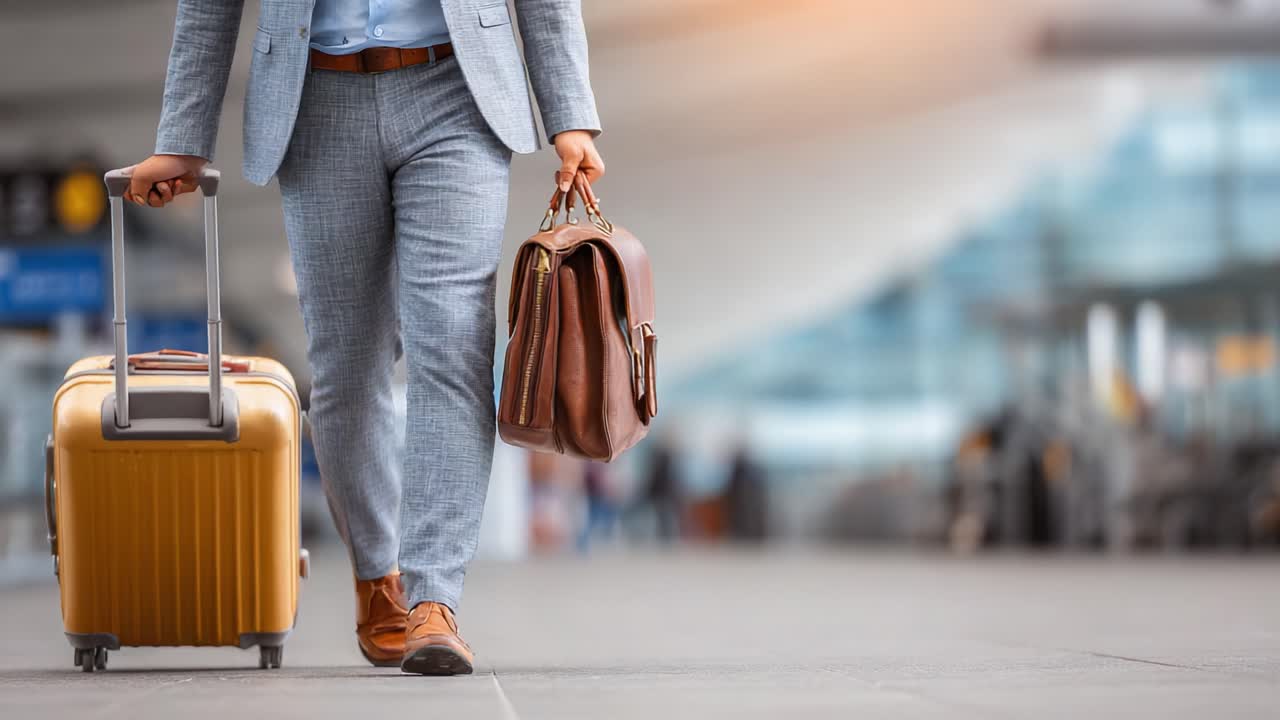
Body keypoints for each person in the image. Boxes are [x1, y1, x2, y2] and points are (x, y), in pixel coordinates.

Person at [125, 0, 605, 676]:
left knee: (454, 342)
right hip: (316, 100)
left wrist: (570, 115)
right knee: (347, 371)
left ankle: (434, 598)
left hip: (456, 93)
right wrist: (182, 137)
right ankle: (379, 579)